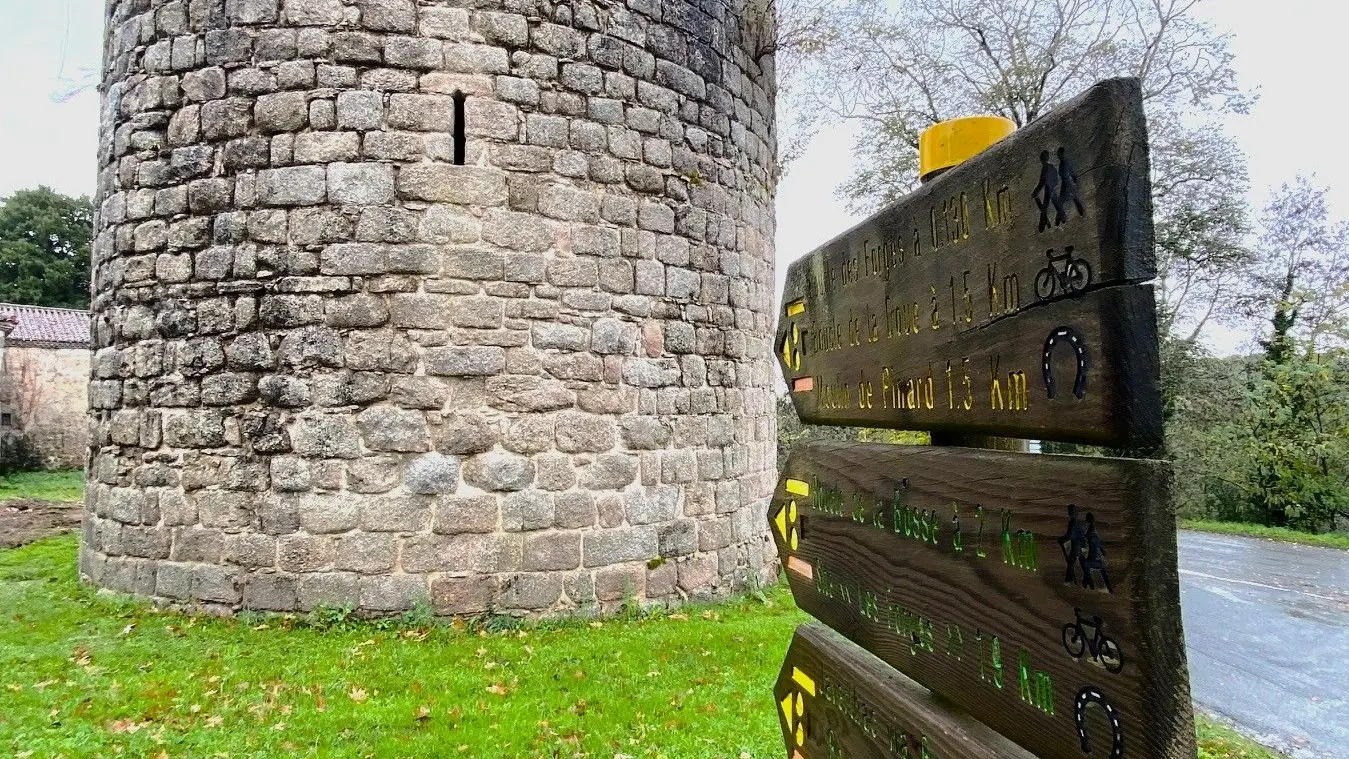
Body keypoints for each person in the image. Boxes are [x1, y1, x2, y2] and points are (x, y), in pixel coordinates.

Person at [1080, 513, 1112, 593]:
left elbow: (1083, 544)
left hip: (1093, 562)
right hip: (1100, 562)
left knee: (1085, 565)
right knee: (1092, 566)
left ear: (1087, 521)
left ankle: (1088, 587)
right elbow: (1103, 552)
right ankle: (1108, 588)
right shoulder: (1095, 535)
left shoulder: (1089, 534)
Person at [1033, 150, 1060, 232]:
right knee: (1047, 205)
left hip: (1049, 190)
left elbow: (1042, 181)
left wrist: (1036, 191)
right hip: (1049, 189)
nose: (1042, 160)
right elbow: (1044, 181)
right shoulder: (1049, 167)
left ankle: (1044, 223)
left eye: (1043, 158)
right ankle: (1046, 223)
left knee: (1046, 206)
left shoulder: (1047, 168)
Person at [1059, 504, 1086, 583]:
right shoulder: (1077, 523)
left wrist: (1062, 540)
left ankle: (1068, 581)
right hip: (1080, 545)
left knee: (1070, 564)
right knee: (1080, 563)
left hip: (1076, 546)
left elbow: (1070, 535)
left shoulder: (1073, 523)